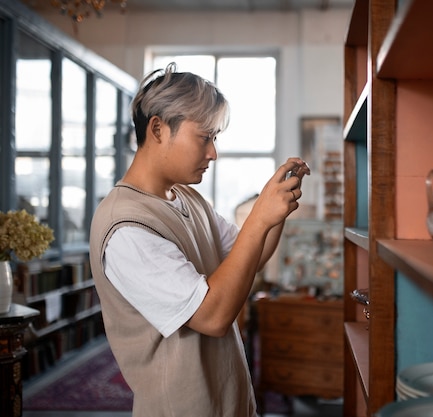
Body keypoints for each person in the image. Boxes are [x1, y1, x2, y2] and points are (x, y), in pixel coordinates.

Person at [89, 63, 310, 417]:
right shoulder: (125, 227)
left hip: (231, 401)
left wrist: (276, 210)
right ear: (158, 129)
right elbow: (213, 317)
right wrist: (259, 217)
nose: (213, 153)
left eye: (215, 139)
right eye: (204, 137)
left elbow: (251, 257)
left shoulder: (187, 198)